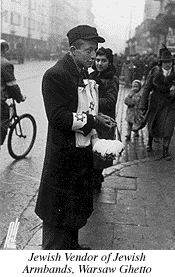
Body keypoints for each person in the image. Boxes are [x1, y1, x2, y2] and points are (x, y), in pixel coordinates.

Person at [34, 25, 114, 250]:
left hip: (79, 155)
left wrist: (97, 116)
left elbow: (79, 107)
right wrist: (94, 121)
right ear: (73, 49)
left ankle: (73, 247)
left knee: (74, 209)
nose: (93, 55)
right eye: (89, 50)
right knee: (58, 212)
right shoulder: (55, 75)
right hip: (63, 157)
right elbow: (58, 116)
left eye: (95, 50)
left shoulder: (81, 72)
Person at [140, 49, 175, 161]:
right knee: (153, 124)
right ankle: (150, 142)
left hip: (171, 103)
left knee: (168, 127)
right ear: (161, 63)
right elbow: (146, 89)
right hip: (156, 102)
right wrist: (143, 106)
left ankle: (165, 151)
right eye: (165, 62)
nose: (168, 64)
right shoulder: (155, 72)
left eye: (170, 62)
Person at [90, 47, 119, 190]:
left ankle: (97, 179)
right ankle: (94, 177)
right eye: (97, 60)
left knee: (100, 153)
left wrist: (91, 101)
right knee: (91, 152)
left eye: (103, 60)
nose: (99, 63)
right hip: (94, 119)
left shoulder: (112, 79)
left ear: (109, 62)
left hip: (105, 121)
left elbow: (110, 101)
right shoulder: (92, 75)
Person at [0, 39, 25, 147]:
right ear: (4, 49)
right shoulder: (5, 64)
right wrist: (20, 97)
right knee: (3, 122)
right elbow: (12, 85)